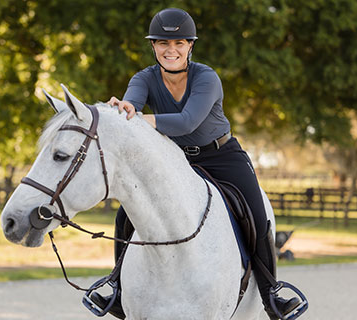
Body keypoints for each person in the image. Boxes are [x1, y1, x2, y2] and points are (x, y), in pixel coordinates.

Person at [90, 8, 301, 320]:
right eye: (162, 43)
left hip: (222, 155)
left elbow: (187, 121)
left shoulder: (207, 77)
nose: (170, 50)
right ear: (153, 47)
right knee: (126, 214)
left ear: (190, 46)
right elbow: (130, 107)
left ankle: (271, 293)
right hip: (175, 160)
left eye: (178, 43)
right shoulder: (143, 78)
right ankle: (118, 288)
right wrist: (122, 111)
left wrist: (138, 120)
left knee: (257, 215)